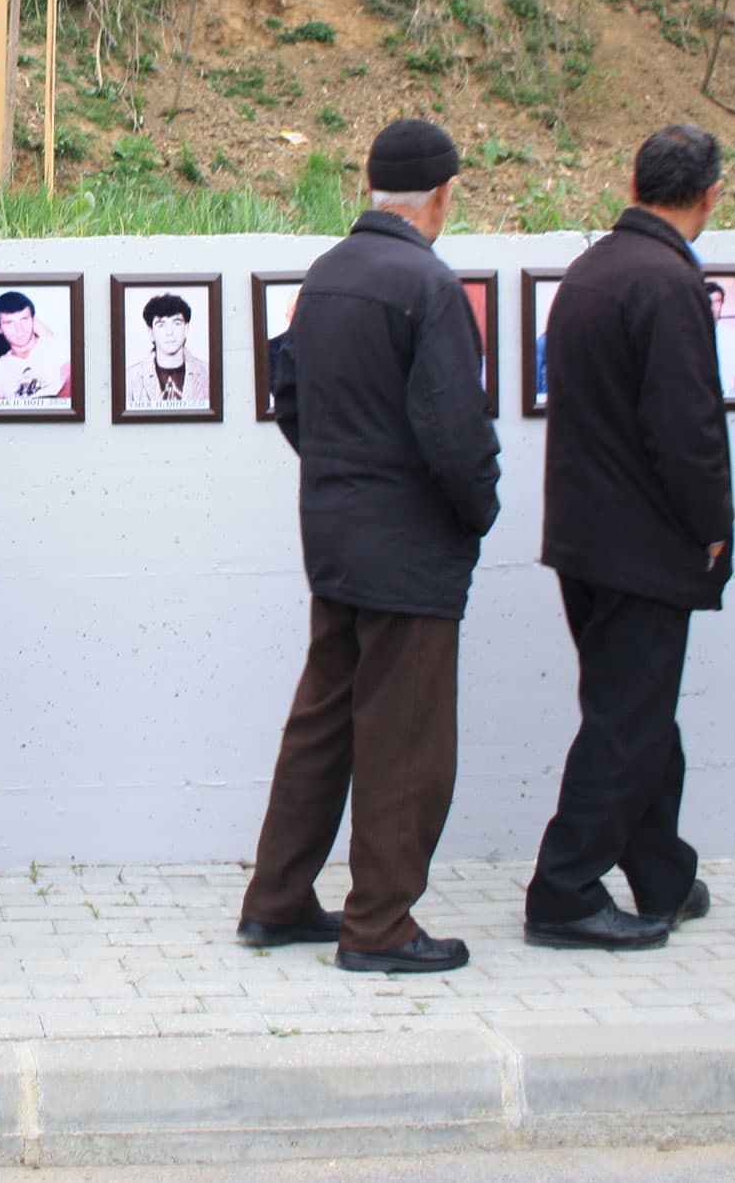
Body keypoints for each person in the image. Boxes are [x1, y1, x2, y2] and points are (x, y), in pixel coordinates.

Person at [238, 119, 498, 975]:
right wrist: (477, 510)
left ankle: (277, 897)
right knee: (406, 737)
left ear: (373, 189)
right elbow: (455, 432)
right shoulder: (428, 286)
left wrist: (339, 470)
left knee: (322, 720)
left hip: (334, 537)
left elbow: (288, 395)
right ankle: (380, 923)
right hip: (412, 549)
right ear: (443, 195)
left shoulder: (326, 274)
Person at [524, 125, 733, 953]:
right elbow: (685, 426)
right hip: (643, 541)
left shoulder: (592, 269)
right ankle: (565, 888)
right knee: (627, 721)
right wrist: (711, 526)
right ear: (710, 194)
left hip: (585, 536)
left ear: (635, 182)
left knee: (637, 712)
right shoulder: (667, 280)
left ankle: (662, 873)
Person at [0, 291, 70, 406]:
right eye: (9, 323)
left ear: (33, 321)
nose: (19, 329)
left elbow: (73, 381)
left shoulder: (57, 347)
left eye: (24, 319)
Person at [124, 294, 209, 408]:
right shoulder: (129, 378)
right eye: (161, 325)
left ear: (186, 329)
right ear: (151, 333)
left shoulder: (208, 373)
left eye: (177, 323)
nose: (169, 332)